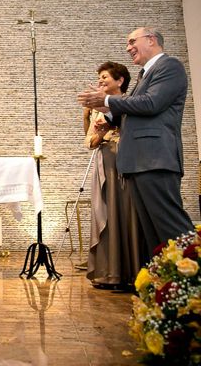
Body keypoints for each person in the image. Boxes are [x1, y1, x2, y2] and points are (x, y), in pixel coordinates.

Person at [78, 27, 194, 264]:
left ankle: (194, 281)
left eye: (132, 41)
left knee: (172, 228)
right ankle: (167, 286)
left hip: (155, 159)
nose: (128, 47)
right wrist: (109, 115)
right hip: (139, 162)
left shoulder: (169, 67)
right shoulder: (144, 75)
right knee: (153, 235)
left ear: (151, 40)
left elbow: (152, 103)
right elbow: (137, 111)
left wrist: (108, 100)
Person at [83, 61, 144, 290]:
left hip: (131, 161)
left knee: (130, 214)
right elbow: (91, 142)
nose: (101, 81)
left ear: (120, 81)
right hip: (108, 163)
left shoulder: (132, 103)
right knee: (109, 215)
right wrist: (90, 119)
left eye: (105, 77)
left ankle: (134, 273)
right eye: (99, 77)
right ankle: (110, 273)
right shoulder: (99, 109)